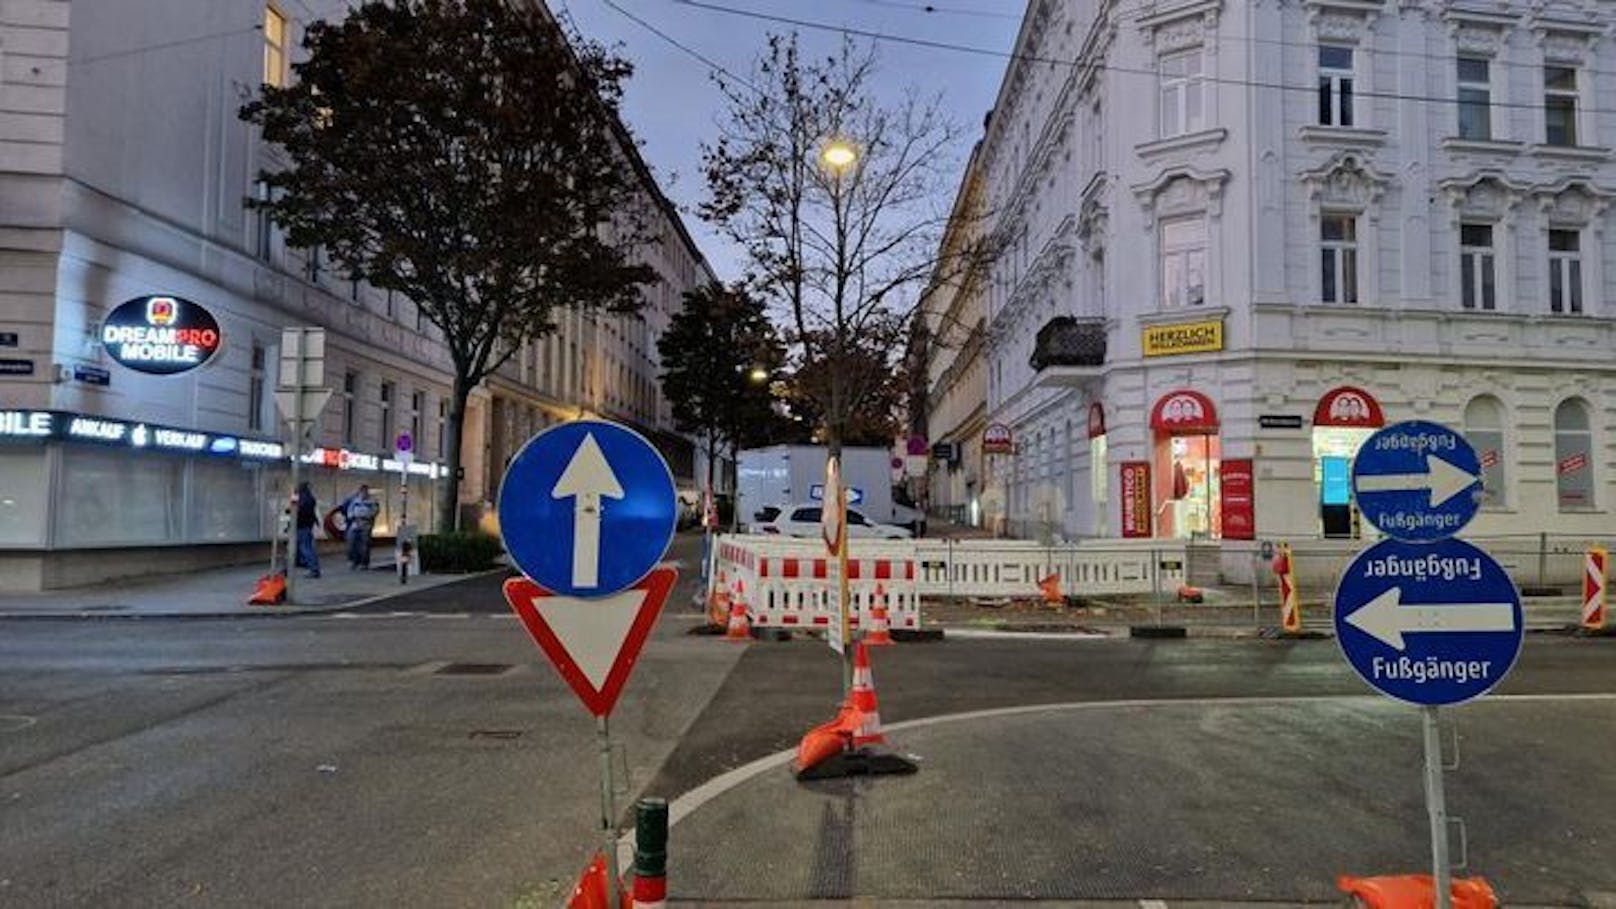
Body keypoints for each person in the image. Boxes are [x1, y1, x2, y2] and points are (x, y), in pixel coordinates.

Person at [341, 483, 379, 570]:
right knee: (352, 543)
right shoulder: (355, 501)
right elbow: (349, 510)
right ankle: (353, 561)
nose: (363, 493)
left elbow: (374, 512)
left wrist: (365, 516)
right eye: (362, 491)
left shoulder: (372, 501)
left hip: (366, 524)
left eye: (365, 491)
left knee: (364, 544)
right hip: (355, 523)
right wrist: (351, 517)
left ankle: (364, 563)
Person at [294, 481, 321, 579]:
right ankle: (289, 567)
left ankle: (314, 569)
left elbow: (297, 509)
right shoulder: (310, 498)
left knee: (305, 548)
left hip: (301, 525)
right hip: (307, 525)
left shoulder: (302, 498)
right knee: (301, 547)